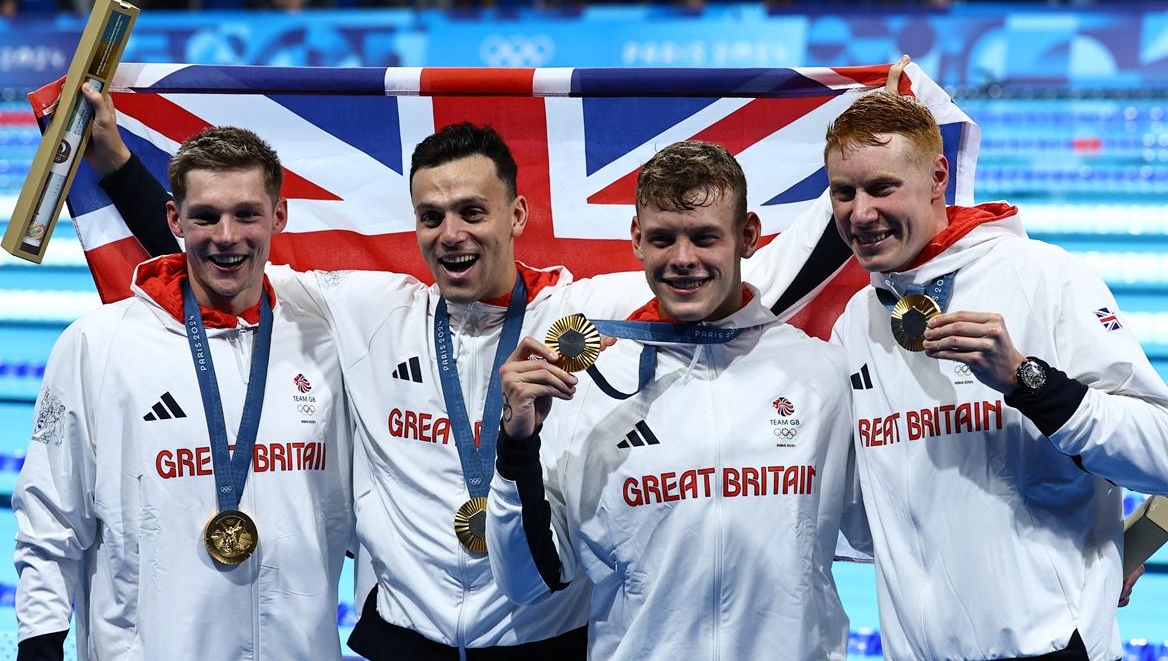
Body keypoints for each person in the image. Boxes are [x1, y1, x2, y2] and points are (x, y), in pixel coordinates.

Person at [83, 88, 819, 658]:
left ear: (517, 213)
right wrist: (116, 160)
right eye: (432, 216)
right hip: (407, 645)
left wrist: (865, 175)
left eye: (473, 210)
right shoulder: (369, 310)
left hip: (544, 646)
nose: (453, 233)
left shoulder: (579, 311)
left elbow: (741, 273)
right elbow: (228, 257)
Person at [487, 140, 868, 659]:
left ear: (748, 236)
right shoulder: (587, 387)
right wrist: (516, 446)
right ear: (638, 240)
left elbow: (874, 530)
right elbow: (529, 582)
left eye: (705, 237)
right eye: (663, 239)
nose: (683, 260)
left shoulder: (817, 373)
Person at [824, 89, 1168, 660]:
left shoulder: (1045, 279)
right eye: (844, 192)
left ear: (938, 176)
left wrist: (1028, 381)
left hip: (1052, 649)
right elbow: (863, 521)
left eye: (882, 187)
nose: (860, 213)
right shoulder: (856, 323)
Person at [12, 120, 353, 659]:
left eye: (247, 214)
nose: (226, 236)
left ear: (279, 216)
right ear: (174, 219)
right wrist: (40, 637)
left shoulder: (326, 336)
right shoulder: (98, 344)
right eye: (205, 216)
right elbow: (51, 515)